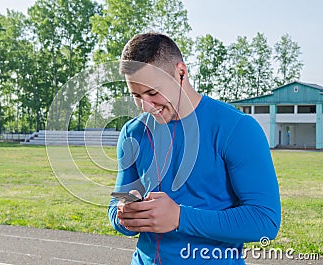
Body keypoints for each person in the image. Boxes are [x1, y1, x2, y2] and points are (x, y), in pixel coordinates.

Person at [108, 32, 281, 264]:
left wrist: (180, 217)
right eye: (136, 95)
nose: (145, 106)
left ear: (181, 72)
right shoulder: (133, 133)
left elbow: (264, 222)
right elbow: (116, 206)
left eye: (152, 92)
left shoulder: (238, 128)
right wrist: (125, 215)